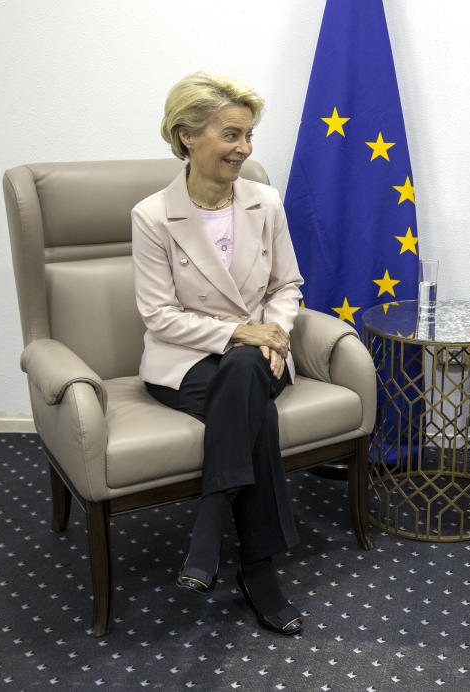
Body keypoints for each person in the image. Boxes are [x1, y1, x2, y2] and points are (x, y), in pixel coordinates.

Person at [132, 72, 305, 636]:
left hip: (261, 357)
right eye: (231, 135)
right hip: (182, 365)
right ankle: (258, 569)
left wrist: (272, 333)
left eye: (249, 136)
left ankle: (209, 531)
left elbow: (287, 286)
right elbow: (158, 316)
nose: (245, 149)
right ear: (187, 135)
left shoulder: (264, 201)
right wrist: (240, 333)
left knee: (245, 372)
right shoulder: (153, 216)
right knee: (244, 382)